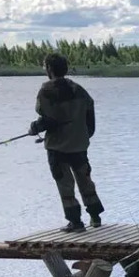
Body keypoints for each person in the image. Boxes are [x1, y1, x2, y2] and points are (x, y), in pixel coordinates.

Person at [29, 53, 103, 232]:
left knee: (65, 184)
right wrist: (86, 134)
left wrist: (34, 128)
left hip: (58, 147)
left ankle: (75, 222)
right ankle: (95, 216)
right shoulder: (78, 89)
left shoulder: (46, 90)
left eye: (45, 67)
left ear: (49, 69)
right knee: (85, 180)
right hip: (79, 144)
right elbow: (89, 111)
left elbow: (48, 119)